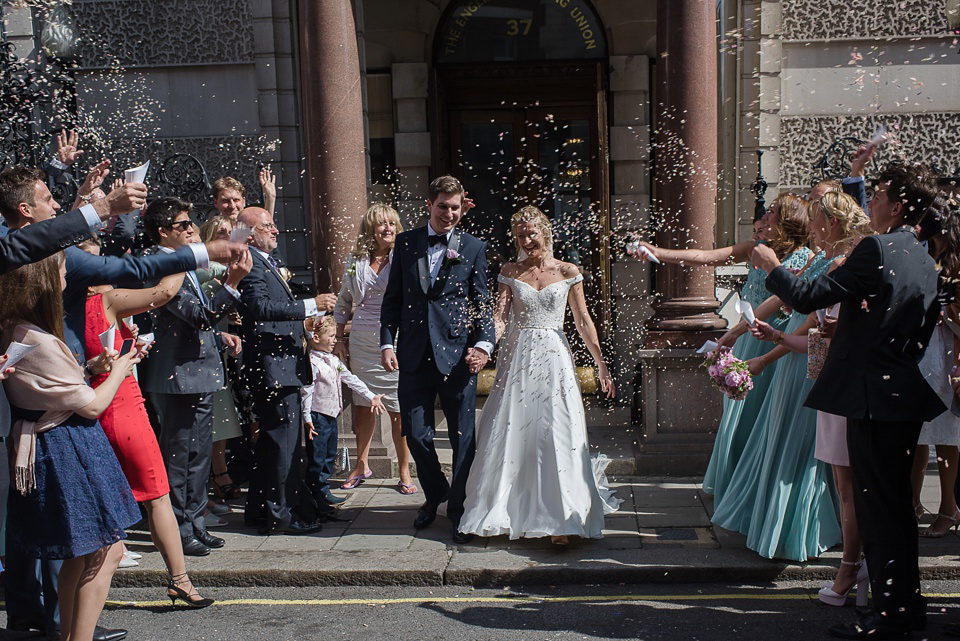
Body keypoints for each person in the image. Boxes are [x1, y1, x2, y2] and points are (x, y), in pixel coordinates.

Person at [753, 163, 943, 639]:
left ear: (897, 206)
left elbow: (806, 295)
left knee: (877, 509)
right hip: (901, 394)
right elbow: (922, 329)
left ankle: (890, 618)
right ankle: (904, 608)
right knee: (897, 507)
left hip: (871, 399)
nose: (870, 202)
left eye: (877, 194)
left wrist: (771, 266)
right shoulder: (921, 255)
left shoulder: (876, 248)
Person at [712, 191, 874, 563]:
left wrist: (767, 357)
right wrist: (756, 341)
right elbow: (806, 321)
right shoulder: (826, 261)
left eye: (818, 221)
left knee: (806, 458)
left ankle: (813, 538)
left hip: (817, 371)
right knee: (800, 452)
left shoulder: (844, 267)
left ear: (832, 223)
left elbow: (809, 321)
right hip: (800, 361)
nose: (812, 230)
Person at [635, 192, 813, 503]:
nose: (766, 216)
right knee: (740, 415)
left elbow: (778, 302)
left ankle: (760, 489)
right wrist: (658, 252)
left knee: (767, 418)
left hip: (776, 341)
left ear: (787, 220)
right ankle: (737, 485)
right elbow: (705, 256)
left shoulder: (805, 257)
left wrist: (736, 331)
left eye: (772, 212)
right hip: (748, 338)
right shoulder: (755, 249)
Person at [0, 252, 142, 641]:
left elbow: (50, 387)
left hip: (56, 446)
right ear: (42, 280)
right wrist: (119, 368)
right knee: (104, 552)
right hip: (68, 449)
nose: (66, 275)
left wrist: (87, 370)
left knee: (80, 556)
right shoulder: (37, 337)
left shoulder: (16, 328)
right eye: (61, 269)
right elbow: (93, 406)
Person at [458, 206, 621, 545]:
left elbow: (583, 320)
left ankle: (560, 518)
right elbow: (500, 318)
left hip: (555, 356)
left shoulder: (567, 270)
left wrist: (602, 364)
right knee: (514, 429)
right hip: (518, 356)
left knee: (556, 429)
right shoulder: (509, 270)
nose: (527, 240)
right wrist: (484, 348)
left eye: (532, 233)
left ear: (546, 232)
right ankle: (507, 509)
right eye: (520, 235)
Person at [77, 237, 214, 607]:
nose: (109, 270)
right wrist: (186, 254)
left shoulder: (68, 307)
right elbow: (162, 293)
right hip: (122, 408)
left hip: (96, 409)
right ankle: (180, 580)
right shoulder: (101, 300)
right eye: (99, 266)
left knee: (112, 498)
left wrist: (129, 343)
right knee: (158, 495)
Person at [380, 175, 495, 544]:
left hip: (458, 356)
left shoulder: (474, 247)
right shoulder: (406, 242)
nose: (449, 214)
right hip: (413, 355)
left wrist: (483, 345)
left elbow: (482, 305)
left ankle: (459, 510)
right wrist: (386, 343)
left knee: (463, 437)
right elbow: (393, 299)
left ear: (463, 207)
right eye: (442, 206)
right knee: (415, 433)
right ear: (429, 205)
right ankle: (436, 493)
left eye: (455, 207)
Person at [138, 198, 251, 557]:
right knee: (179, 456)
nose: (191, 230)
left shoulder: (183, 264)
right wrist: (232, 283)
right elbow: (196, 315)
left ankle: (195, 524)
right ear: (163, 232)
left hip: (199, 373)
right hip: (177, 378)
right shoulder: (160, 265)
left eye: (191, 223)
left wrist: (220, 336)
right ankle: (177, 529)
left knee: (199, 455)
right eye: (183, 225)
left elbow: (192, 324)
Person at [236, 206, 336, 535]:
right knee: (283, 444)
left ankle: (259, 510)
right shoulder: (250, 265)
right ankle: (281, 515)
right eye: (268, 226)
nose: (276, 230)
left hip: (284, 365)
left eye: (275, 224)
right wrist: (311, 305)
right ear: (249, 234)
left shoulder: (265, 262)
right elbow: (260, 309)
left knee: (273, 443)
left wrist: (304, 324)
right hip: (273, 369)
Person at [333, 203, 414, 495]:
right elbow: (344, 301)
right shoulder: (355, 260)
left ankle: (404, 468)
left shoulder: (404, 257)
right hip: (362, 339)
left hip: (393, 338)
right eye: (381, 224)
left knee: (397, 407)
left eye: (392, 223)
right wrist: (339, 338)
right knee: (363, 404)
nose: (387, 229)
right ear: (371, 228)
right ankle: (362, 463)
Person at [911, 196, 960, 537]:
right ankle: (911, 502)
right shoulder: (922, 252)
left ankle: (948, 507)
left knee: (944, 436)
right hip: (919, 350)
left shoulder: (955, 264)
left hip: (946, 352)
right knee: (915, 433)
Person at [302, 316, 387, 506]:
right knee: (318, 457)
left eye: (334, 336)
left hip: (332, 415)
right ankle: (315, 493)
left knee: (329, 454)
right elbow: (306, 392)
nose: (335, 340)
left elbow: (351, 379)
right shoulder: (312, 363)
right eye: (331, 336)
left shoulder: (333, 360)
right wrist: (307, 418)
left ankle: (322, 491)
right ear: (316, 338)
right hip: (317, 416)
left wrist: (370, 396)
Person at [198, 215, 245, 503]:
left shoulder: (231, 266)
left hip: (229, 342)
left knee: (226, 410)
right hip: (209, 343)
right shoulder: (204, 266)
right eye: (222, 233)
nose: (228, 238)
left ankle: (220, 469)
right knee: (213, 410)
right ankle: (213, 476)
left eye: (232, 233)